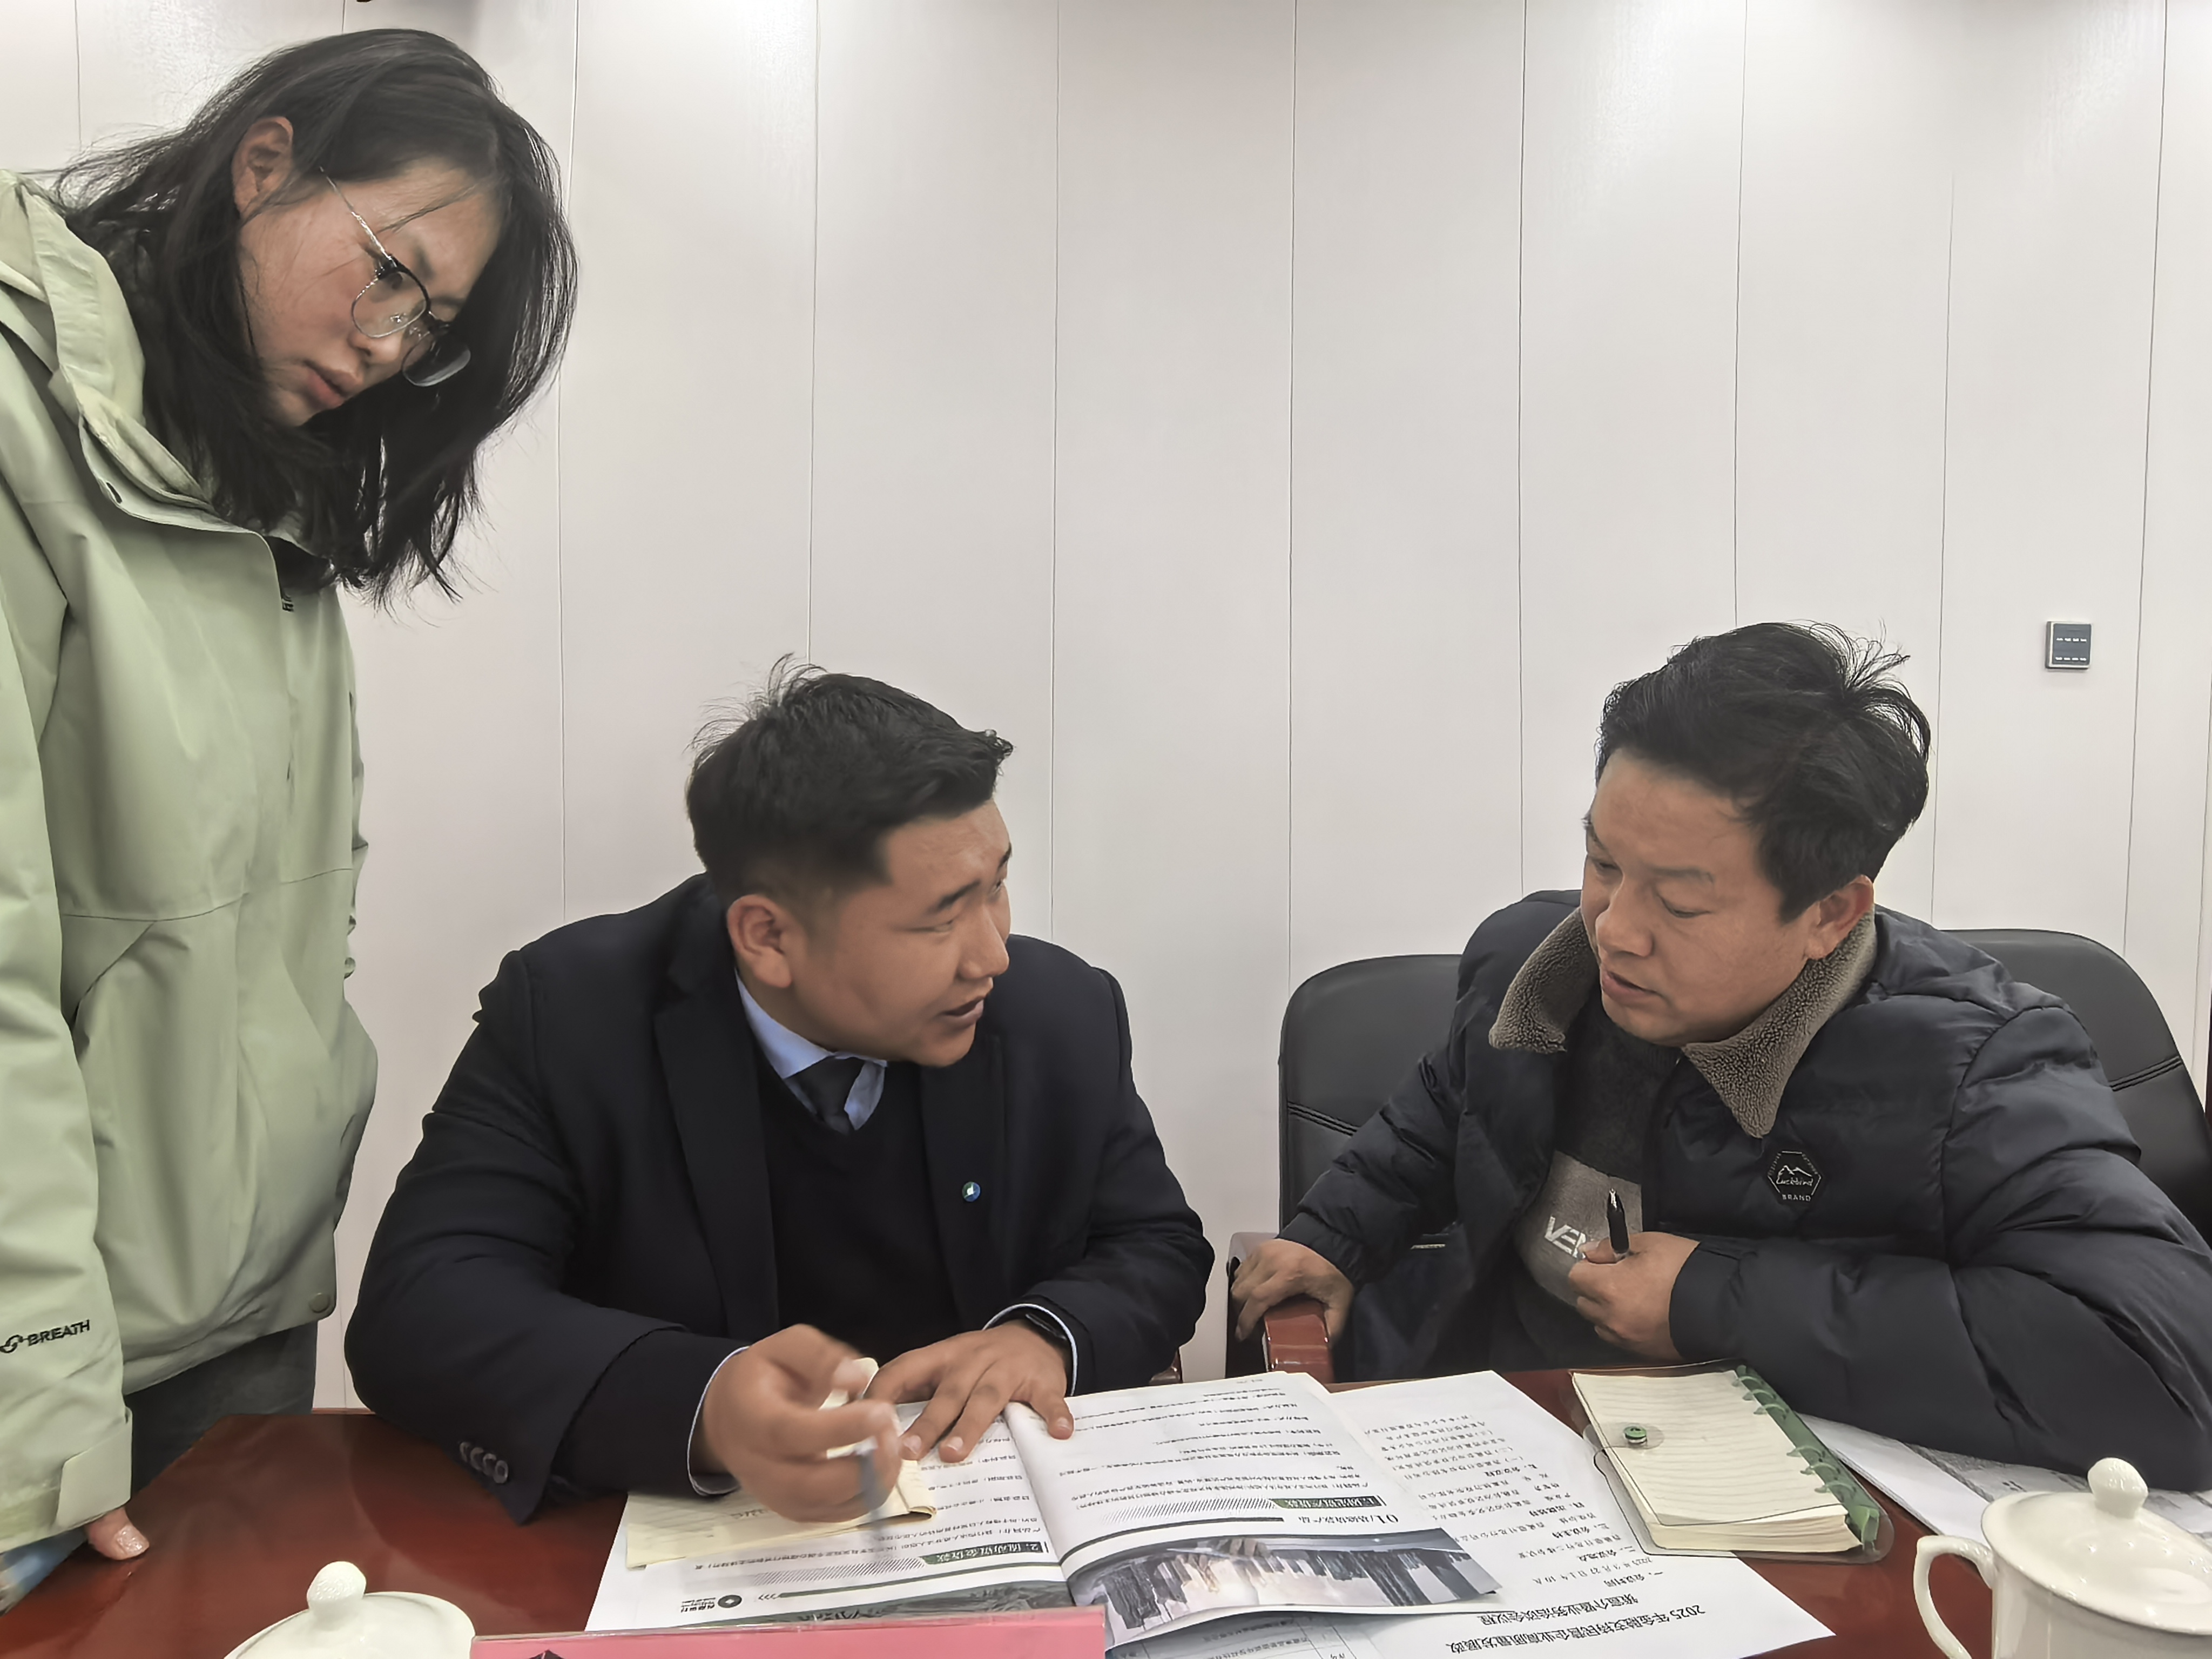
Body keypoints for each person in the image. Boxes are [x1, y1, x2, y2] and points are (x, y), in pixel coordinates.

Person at [0, 29, 576, 1573]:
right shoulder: (23, 425)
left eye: (432, 327)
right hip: (41, 1379)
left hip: (234, 1318)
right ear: (266, 165)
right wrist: (32, 1388)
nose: (389, 346)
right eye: (390, 274)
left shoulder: (259, 483)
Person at [1233, 623, 2212, 1489]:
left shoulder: (1974, 1063)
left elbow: (2164, 1366)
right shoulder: (1534, 965)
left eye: (1680, 902)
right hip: (1498, 1442)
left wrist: (1713, 1300)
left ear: (1831, 913)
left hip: (1772, 1515)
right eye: (1603, 862)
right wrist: (1336, 1233)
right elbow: (1446, 1107)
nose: (1614, 929)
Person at [346, 667, 1211, 1523]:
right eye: (942, 918)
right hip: (683, 1542)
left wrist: (1043, 1334)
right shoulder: (575, 1017)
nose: (992, 955)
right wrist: (705, 1404)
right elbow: (422, 1306)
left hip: (980, 1514)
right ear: (767, 937)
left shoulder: (1059, 1014)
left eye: (997, 887)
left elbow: (1153, 1243)